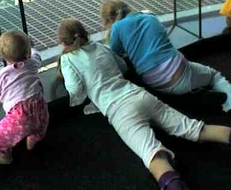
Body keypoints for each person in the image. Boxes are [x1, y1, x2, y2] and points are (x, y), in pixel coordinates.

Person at [57, 18, 231, 190]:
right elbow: (123, 66)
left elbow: (75, 90)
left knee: (153, 155)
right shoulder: (101, 47)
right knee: (195, 128)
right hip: (140, 95)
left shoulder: (68, 60)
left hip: (120, 112)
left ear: (62, 42)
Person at [100, 0, 231, 113]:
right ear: (127, 7)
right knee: (213, 75)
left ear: (108, 20)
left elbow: (116, 52)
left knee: (161, 89)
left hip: (153, 82)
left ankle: (189, 97)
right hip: (178, 68)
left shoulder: (116, 28)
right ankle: (228, 103)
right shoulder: (150, 17)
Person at [0, 30, 49, 164]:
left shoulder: (1, 75)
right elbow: (36, 54)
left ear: (4, 57)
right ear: (27, 52)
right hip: (40, 107)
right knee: (39, 127)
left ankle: (3, 157)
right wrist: (30, 47)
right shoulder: (32, 62)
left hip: (20, 117)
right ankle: (32, 140)